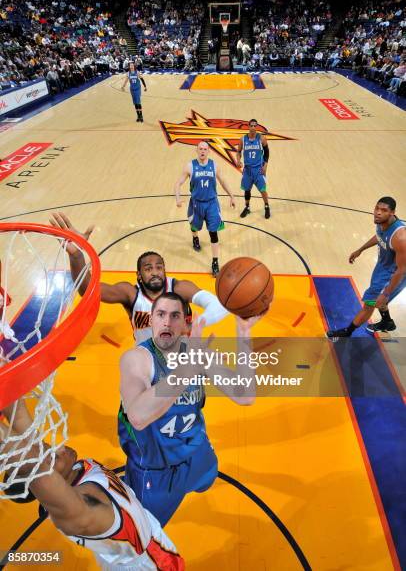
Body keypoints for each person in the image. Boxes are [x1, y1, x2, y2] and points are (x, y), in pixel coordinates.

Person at [118, 291, 261, 527]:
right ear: (151, 320)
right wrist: (189, 366)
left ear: (186, 323)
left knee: (206, 479)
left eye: (175, 316)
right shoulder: (137, 359)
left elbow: (244, 395)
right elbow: (137, 416)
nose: (167, 322)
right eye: (161, 314)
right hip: (155, 472)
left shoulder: (195, 351)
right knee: (144, 536)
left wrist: (243, 332)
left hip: (197, 454)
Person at [0, 395, 184, 570]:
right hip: (148, 561)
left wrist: (5, 376)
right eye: (52, 457)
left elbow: (21, 422)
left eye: (49, 448)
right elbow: (31, 463)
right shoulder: (78, 512)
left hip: (137, 536)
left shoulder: (64, 470)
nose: (59, 448)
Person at [49, 213, 229, 345]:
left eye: (159, 267)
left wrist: (192, 327)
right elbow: (88, 290)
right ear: (139, 276)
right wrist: (77, 256)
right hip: (147, 364)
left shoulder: (180, 289)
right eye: (148, 268)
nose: (155, 272)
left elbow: (220, 306)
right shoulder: (130, 293)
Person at [327, 197, 406, 337]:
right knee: (379, 299)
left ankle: (348, 331)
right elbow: (380, 237)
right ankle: (387, 322)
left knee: (370, 304)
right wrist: (361, 249)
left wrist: (386, 293)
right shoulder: (382, 223)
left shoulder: (400, 238)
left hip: (394, 274)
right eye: (377, 208)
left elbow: (401, 270)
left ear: (393, 213)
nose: (378, 213)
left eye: (384, 210)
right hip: (383, 267)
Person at [174, 141, 236, 277]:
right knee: (194, 226)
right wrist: (178, 198)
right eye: (200, 149)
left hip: (212, 204)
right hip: (196, 203)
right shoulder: (190, 166)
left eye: (205, 149)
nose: (202, 151)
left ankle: (215, 262)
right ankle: (195, 238)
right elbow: (178, 183)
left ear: (209, 151)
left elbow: (223, 181)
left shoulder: (214, 166)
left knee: (213, 232)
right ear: (197, 150)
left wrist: (231, 195)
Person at [236, 119, 270, 219]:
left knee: (262, 190)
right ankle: (247, 207)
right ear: (248, 126)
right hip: (247, 169)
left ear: (257, 127)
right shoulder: (243, 139)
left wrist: (265, 166)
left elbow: (267, 153)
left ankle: (267, 207)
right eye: (251, 126)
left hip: (258, 169)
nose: (253, 128)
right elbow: (238, 152)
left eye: (255, 126)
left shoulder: (262, 139)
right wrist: (238, 160)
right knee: (247, 190)